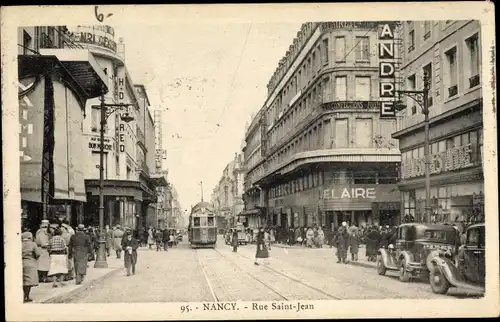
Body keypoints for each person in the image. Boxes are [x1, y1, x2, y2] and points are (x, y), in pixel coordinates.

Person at [22, 231, 41, 302]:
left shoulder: (19, 244)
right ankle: (26, 296)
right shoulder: (33, 244)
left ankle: (24, 295)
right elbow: (38, 254)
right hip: (30, 262)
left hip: (21, 262)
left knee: (23, 280)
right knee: (28, 281)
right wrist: (35, 258)